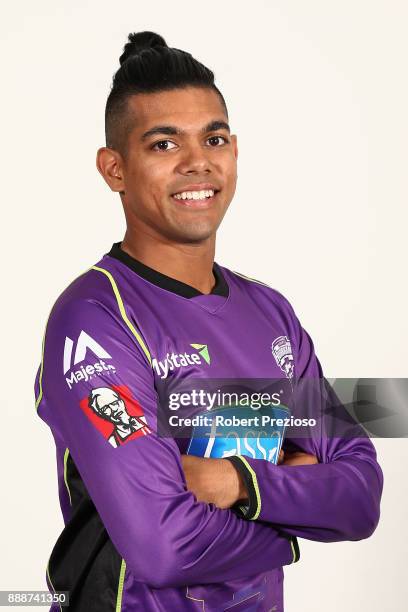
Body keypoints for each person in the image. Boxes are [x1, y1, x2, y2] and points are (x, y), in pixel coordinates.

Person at [34, 31, 383, 612]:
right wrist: (295, 517)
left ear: (235, 150)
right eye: (165, 144)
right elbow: (164, 545)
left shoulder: (271, 313)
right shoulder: (94, 319)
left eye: (213, 138)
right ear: (114, 168)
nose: (199, 162)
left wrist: (235, 483)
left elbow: (360, 496)